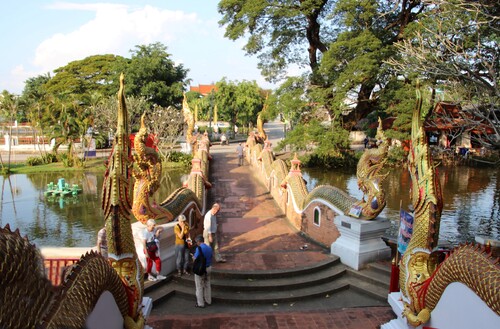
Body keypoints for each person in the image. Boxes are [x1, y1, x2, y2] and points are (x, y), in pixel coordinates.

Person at [193, 235, 213, 308]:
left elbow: (195, 259)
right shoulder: (209, 247)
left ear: (198, 241)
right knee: (207, 285)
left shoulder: (199, 248)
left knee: (199, 286)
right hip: (209, 267)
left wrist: (193, 257)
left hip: (201, 269)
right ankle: (208, 300)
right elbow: (211, 257)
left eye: (196, 242)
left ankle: (200, 303)